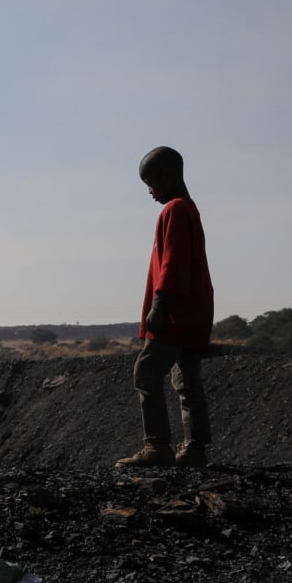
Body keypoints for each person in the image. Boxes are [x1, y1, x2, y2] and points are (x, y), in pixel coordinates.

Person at [115, 145, 214, 468]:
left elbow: (172, 264)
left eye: (151, 182)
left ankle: (156, 445)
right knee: (186, 380)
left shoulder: (174, 209)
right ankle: (194, 448)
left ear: (168, 177)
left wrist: (160, 306)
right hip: (194, 314)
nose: (150, 191)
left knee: (146, 372)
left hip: (175, 314)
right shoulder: (190, 209)